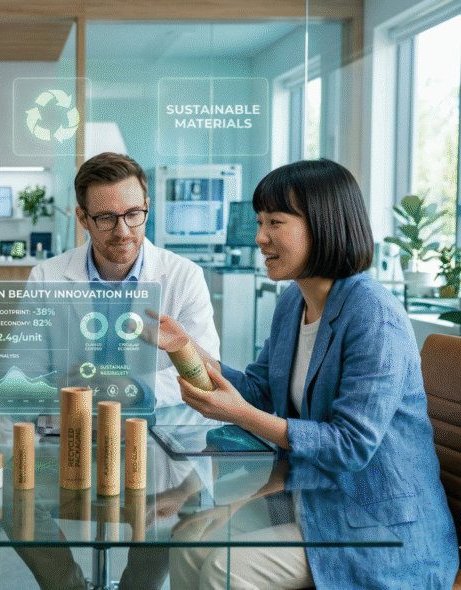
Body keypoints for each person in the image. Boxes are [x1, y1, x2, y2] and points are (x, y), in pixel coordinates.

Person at [160, 159, 459, 589]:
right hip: (315, 498)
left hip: (375, 524)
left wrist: (241, 414)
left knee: (227, 572)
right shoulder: (291, 304)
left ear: (323, 225)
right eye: (260, 221)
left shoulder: (374, 316)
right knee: (189, 538)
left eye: (275, 222)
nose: (260, 237)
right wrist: (193, 354)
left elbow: (350, 444)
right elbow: (262, 390)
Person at [28, 151, 220, 407]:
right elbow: (28, 366)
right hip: (71, 420)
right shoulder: (46, 277)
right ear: (83, 218)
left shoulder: (184, 276)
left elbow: (205, 372)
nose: (123, 231)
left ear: (147, 208)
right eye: (106, 218)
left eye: (133, 214)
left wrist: (135, 388)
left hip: (154, 424)